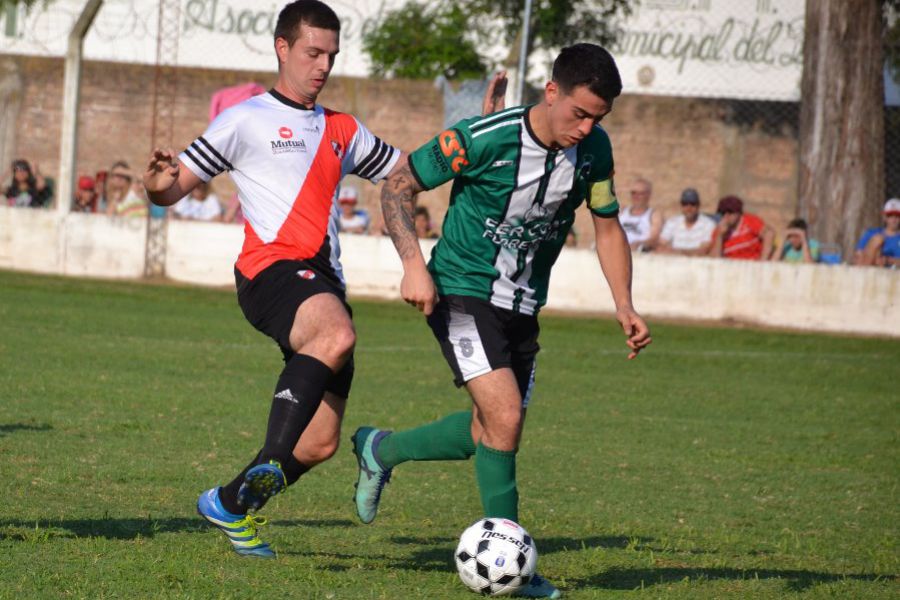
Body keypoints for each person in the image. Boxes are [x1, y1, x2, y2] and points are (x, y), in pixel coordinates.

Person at [351, 44, 651, 600]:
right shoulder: (486, 136)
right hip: (460, 290)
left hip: (523, 306)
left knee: (487, 433)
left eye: (597, 119)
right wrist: (414, 265)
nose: (586, 128)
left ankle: (380, 450)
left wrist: (625, 304)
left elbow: (607, 226)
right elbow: (398, 184)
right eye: (578, 113)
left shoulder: (594, 154)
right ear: (551, 92)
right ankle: (517, 567)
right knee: (506, 417)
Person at [142, 0, 406, 559]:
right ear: (282, 48)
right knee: (335, 336)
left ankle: (229, 504)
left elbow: (410, 171)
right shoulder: (244, 119)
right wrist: (155, 185)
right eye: (313, 52)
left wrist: (472, 139)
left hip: (323, 283)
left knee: (320, 444)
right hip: (270, 271)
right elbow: (172, 188)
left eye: (332, 55)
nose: (323, 65)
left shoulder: (343, 128)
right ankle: (267, 459)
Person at [708, 195, 774, 260]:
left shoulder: (749, 221)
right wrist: (720, 236)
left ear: (739, 213)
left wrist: (762, 261)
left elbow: (769, 234)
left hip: (753, 263)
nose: (726, 216)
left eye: (730, 212)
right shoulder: (718, 231)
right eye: (723, 212)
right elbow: (715, 259)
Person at [657, 188, 716, 256]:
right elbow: (661, 246)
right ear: (681, 206)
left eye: (692, 204)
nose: (689, 208)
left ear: (698, 205)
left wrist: (676, 252)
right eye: (685, 204)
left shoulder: (708, 224)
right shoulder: (672, 222)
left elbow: (704, 250)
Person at [618, 176, 662, 252]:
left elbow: (654, 239)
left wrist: (637, 244)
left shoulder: (654, 215)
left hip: (638, 251)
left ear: (648, 195)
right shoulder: (622, 212)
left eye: (640, 193)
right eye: (633, 193)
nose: (636, 196)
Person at [854, 198, 900, 268]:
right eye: (890, 215)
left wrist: (887, 260)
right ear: (885, 217)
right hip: (868, 267)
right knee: (878, 239)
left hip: (892, 271)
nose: (894, 219)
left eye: (897, 216)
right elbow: (858, 256)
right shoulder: (871, 233)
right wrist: (875, 260)